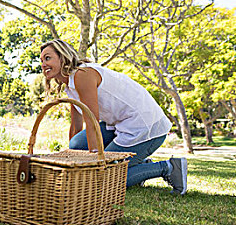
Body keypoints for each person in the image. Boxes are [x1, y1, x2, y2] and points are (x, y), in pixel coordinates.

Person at [39, 39, 188, 194]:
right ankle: (138, 164)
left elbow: (91, 120)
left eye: (48, 58)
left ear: (63, 57)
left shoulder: (82, 75)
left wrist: (95, 163)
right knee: (77, 144)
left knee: (105, 178)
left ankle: (168, 167)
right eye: (42, 60)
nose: (43, 64)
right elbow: (76, 125)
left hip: (145, 125)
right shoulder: (70, 85)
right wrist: (71, 159)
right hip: (120, 124)